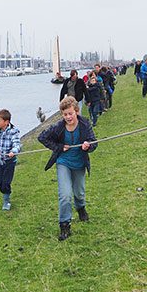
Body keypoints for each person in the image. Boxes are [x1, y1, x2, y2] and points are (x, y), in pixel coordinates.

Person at [38, 96, 97, 240]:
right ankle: (65, 225)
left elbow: (94, 142)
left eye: (70, 113)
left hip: (79, 163)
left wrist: (88, 145)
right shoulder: (58, 126)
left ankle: (81, 208)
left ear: (76, 111)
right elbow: (42, 137)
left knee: (79, 193)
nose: (68, 117)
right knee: (65, 195)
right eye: (65, 114)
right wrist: (58, 147)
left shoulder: (84, 124)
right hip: (63, 162)